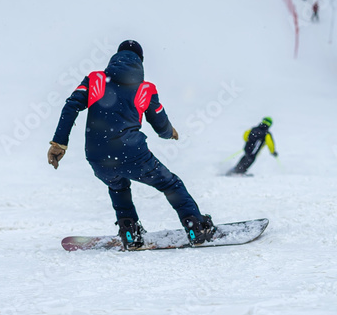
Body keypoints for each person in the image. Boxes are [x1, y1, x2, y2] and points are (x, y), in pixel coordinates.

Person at [47, 40, 215, 248]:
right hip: (133, 154)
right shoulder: (145, 88)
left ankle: (130, 232)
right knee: (171, 184)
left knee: (118, 186)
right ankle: (196, 228)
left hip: (97, 157)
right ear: (140, 62)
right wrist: (170, 131)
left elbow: (71, 106)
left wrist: (59, 144)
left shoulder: (94, 79)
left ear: (115, 57)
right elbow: (160, 126)